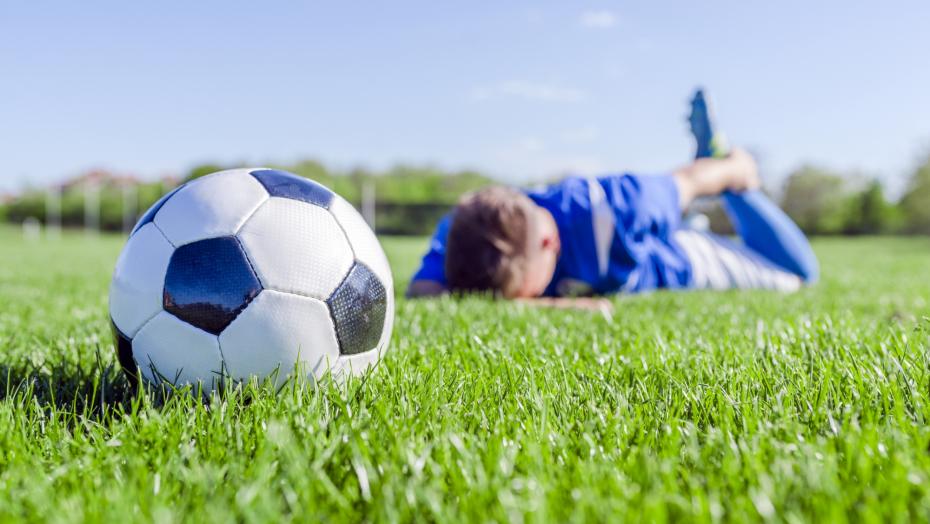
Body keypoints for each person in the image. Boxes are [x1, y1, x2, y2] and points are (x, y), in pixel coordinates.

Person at [407, 89, 818, 304]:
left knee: (800, 275)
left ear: (550, 244)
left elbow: (691, 182)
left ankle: (715, 180)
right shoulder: (465, 233)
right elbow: (424, 293)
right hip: (645, 238)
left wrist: (732, 170)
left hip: (679, 256)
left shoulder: (615, 208)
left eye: (533, 292)